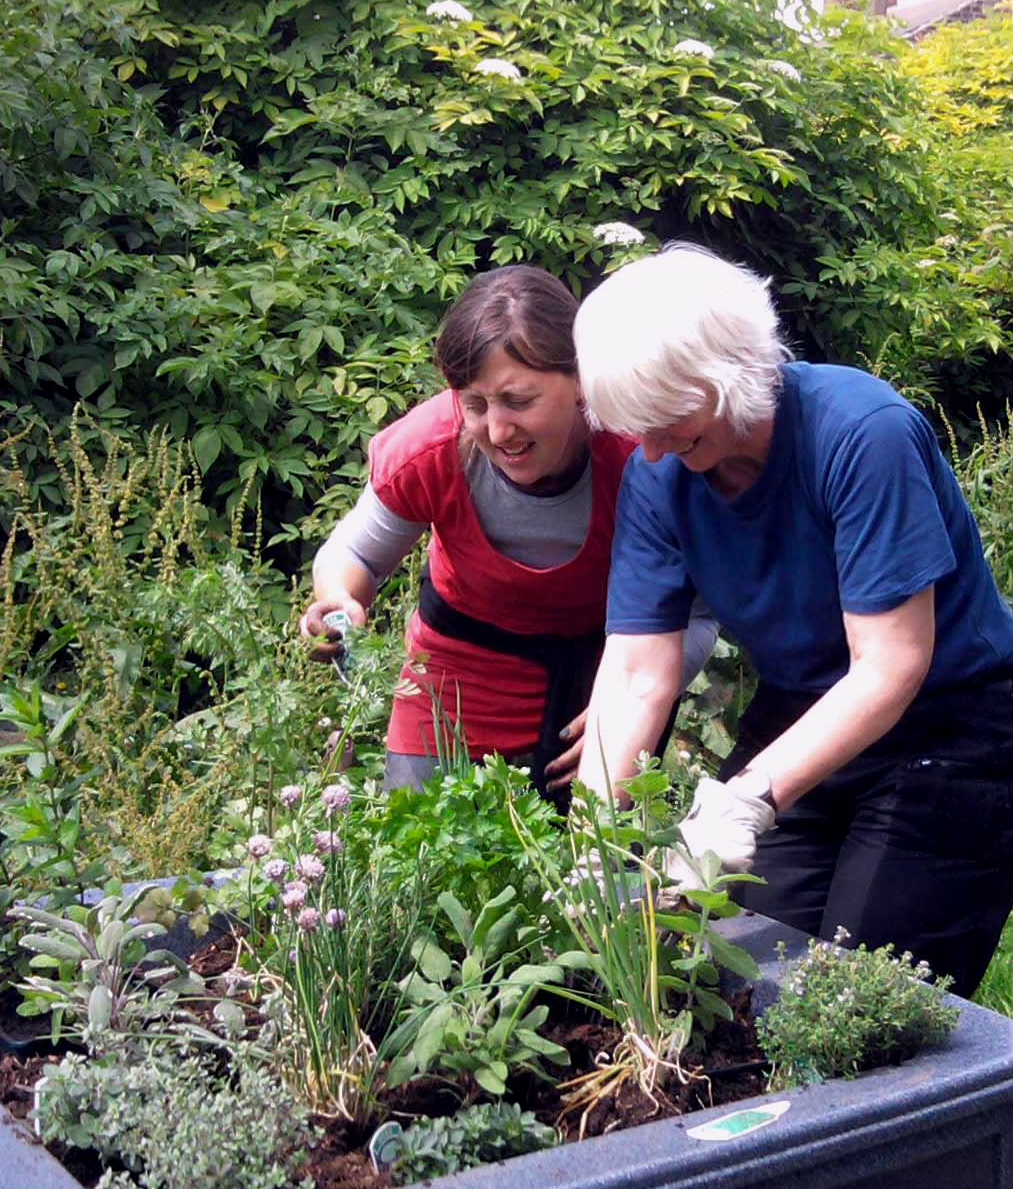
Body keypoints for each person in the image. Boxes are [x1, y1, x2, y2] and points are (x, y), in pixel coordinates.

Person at [572, 244, 1013, 997]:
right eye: (636, 427)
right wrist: (594, 837)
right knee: (733, 981)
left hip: (948, 730)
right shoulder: (661, 472)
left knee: (864, 1002)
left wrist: (749, 801)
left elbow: (891, 663)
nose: (650, 447)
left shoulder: (861, 432)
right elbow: (633, 675)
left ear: (731, 370)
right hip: (799, 719)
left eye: (667, 420)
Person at [302, 264, 715, 798]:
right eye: (474, 404)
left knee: (598, 870)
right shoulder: (429, 448)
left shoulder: (644, 455)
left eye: (520, 402)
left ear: (581, 383)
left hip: (610, 672)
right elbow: (353, 552)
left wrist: (635, 700)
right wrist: (339, 602)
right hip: (454, 676)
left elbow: (700, 616)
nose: (498, 431)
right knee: (415, 853)